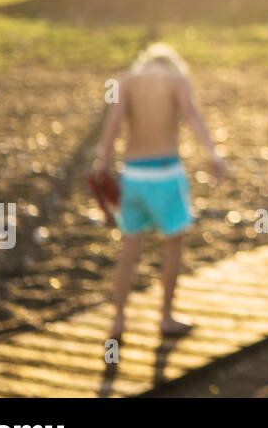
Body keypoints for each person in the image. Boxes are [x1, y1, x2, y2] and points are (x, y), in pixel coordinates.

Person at [91, 42, 228, 342]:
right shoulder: (177, 80)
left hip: (133, 176)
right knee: (172, 246)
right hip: (166, 175)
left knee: (129, 250)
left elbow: (112, 124)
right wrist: (212, 155)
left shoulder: (126, 79)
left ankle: (118, 321)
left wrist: (102, 162)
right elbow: (192, 115)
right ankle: (165, 317)